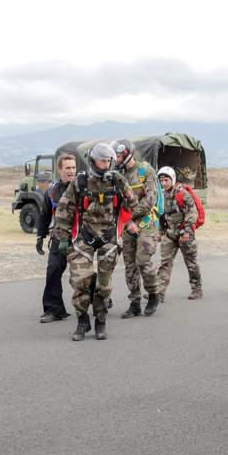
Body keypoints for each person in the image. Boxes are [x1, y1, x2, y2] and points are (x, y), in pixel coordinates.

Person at [55, 143, 137, 341]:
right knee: (80, 280)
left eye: (109, 160)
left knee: (103, 285)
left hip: (109, 237)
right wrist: (64, 238)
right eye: (103, 160)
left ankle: (101, 321)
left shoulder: (117, 181)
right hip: (85, 235)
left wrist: (123, 187)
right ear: (93, 160)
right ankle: (82, 321)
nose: (107, 164)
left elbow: (134, 205)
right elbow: (64, 210)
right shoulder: (80, 182)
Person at [112, 140, 161, 319]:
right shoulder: (117, 175)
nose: (115, 160)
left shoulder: (146, 171)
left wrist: (132, 219)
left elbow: (150, 200)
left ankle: (154, 294)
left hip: (145, 223)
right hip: (127, 225)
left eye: (118, 156)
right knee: (129, 265)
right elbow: (116, 201)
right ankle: (134, 303)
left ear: (127, 155)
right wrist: (126, 221)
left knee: (143, 261)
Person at [36, 154, 76, 323]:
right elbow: (45, 215)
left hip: (79, 238)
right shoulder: (51, 191)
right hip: (59, 237)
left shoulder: (84, 187)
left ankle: (101, 296)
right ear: (59, 170)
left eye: (74, 168)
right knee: (53, 270)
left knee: (82, 276)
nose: (71, 171)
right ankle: (54, 310)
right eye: (67, 168)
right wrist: (40, 235)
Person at [155, 166, 204, 300]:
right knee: (165, 262)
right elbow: (162, 215)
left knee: (191, 262)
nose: (164, 183)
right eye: (161, 181)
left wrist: (187, 231)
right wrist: (160, 232)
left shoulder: (182, 193)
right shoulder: (162, 195)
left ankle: (197, 289)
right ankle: (159, 292)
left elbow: (192, 213)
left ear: (172, 179)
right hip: (170, 234)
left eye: (166, 180)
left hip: (185, 234)